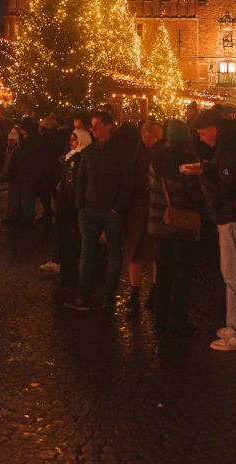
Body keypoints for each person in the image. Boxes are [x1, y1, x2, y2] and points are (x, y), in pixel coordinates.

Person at [187, 108, 236, 352]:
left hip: (234, 217)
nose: (201, 139)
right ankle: (235, 325)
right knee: (232, 274)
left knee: (234, 276)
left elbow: (226, 189)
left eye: (202, 133)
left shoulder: (231, 151)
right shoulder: (235, 145)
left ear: (214, 129)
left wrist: (204, 175)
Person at [66, 110, 134, 311]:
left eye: (97, 125)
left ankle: (109, 296)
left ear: (108, 126)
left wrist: (117, 208)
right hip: (90, 209)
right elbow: (81, 179)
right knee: (87, 253)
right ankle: (83, 295)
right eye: (92, 125)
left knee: (113, 254)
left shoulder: (121, 152)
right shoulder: (89, 152)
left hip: (110, 211)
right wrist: (81, 206)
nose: (93, 129)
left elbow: (127, 181)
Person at [147, 120, 202, 336]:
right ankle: (178, 321)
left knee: (163, 272)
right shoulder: (188, 163)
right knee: (182, 274)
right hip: (182, 225)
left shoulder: (156, 160)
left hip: (159, 222)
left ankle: (160, 319)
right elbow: (195, 195)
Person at [123, 120, 163, 315]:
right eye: (145, 135)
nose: (147, 139)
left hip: (154, 207)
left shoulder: (161, 155)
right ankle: (135, 292)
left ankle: (155, 291)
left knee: (156, 252)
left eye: (151, 135)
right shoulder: (134, 153)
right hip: (138, 207)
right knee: (135, 252)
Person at [51, 128, 92, 285]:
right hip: (66, 199)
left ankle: (74, 273)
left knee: (74, 237)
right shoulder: (71, 156)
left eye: (74, 139)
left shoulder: (82, 157)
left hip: (74, 202)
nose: (71, 142)